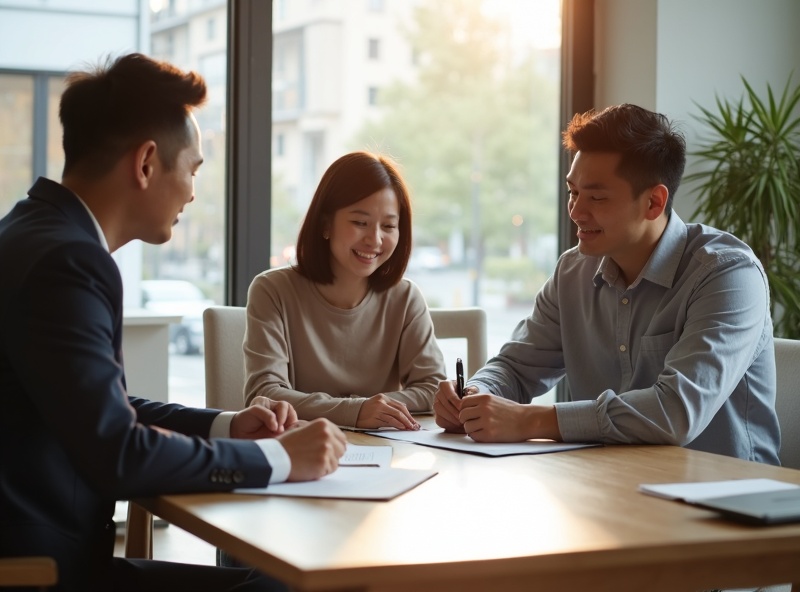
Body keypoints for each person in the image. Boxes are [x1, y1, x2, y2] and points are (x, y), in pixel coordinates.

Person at [0, 52, 347, 592]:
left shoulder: (30, 232)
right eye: (192, 169)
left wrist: (227, 425)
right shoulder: (69, 262)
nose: (191, 190)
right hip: (39, 574)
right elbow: (116, 451)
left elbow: (97, 411)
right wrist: (274, 458)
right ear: (145, 163)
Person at [434, 103, 781, 465]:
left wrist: (530, 420)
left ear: (653, 202)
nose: (576, 211)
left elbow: (676, 412)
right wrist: (475, 394)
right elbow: (516, 368)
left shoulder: (727, 274)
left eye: (596, 197)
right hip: (613, 485)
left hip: (730, 501)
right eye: (573, 193)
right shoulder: (573, 272)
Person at [243, 151, 447, 430]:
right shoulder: (273, 291)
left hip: (386, 453)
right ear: (326, 223)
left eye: (388, 226)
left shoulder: (405, 298)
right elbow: (264, 393)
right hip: (302, 450)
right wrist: (357, 410)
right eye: (360, 222)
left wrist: (371, 410)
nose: (374, 239)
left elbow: (434, 389)